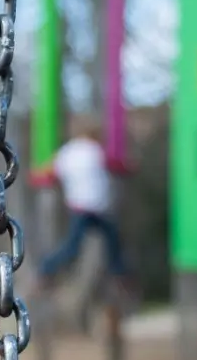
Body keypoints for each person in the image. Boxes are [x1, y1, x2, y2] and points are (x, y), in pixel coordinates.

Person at [35, 115, 135, 296]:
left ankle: (46, 270)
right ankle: (121, 275)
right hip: (97, 208)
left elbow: (51, 173)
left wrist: (39, 175)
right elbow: (115, 164)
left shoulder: (66, 153)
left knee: (75, 246)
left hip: (80, 207)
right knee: (113, 244)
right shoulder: (96, 150)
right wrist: (128, 166)